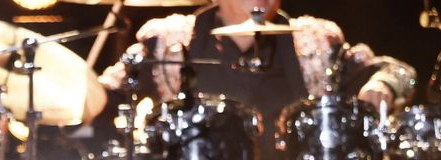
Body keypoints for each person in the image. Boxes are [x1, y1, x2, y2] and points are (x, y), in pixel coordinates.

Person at [99, 0, 416, 127]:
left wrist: (382, 84)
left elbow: (398, 71)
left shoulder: (316, 42)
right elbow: (106, 94)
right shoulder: (168, 41)